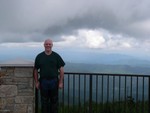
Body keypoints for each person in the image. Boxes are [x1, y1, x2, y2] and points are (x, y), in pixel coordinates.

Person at [33, 39, 65, 113]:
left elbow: (61, 70)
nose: (48, 45)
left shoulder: (56, 56)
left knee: (54, 101)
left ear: (52, 45)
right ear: (44, 45)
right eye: (46, 44)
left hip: (54, 81)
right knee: (44, 102)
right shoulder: (39, 56)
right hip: (43, 82)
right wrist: (36, 81)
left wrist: (60, 82)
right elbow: (35, 70)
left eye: (49, 44)